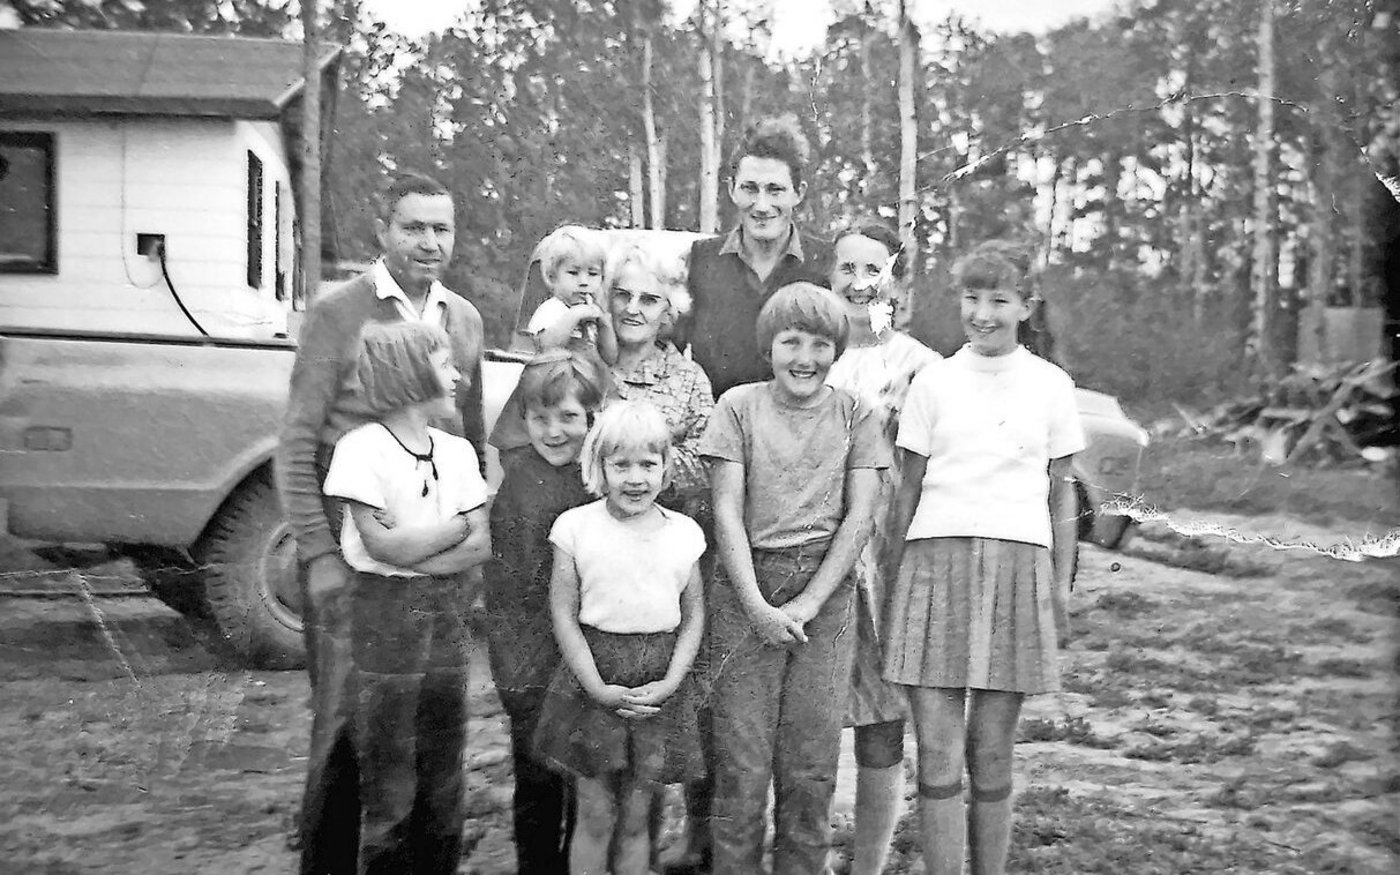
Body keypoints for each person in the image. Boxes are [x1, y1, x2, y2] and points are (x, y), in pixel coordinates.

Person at [276, 172, 484, 875]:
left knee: (432, 728)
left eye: (441, 228)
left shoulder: (463, 319)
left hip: (437, 572)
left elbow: (468, 436)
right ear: (383, 232)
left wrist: (462, 549)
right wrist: (318, 554)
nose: (429, 242)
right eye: (413, 227)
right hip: (356, 561)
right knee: (347, 725)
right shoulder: (339, 312)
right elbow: (296, 442)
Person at [881, 240, 1084, 875]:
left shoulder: (1052, 385)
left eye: (999, 300)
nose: (983, 314)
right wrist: (892, 582)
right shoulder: (933, 382)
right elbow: (907, 490)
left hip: (1018, 569)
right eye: (972, 298)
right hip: (933, 566)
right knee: (937, 753)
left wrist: (1060, 587)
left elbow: (1062, 494)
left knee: (992, 751)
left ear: (1027, 306)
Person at [698, 282, 887, 875]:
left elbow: (861, 516)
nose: (805, 358)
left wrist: (808, 603)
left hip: (826, 596)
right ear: (768, 346)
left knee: (810, 764)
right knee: (741, 763)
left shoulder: (857, 413)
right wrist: (755, 603)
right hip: (744, 588)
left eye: (820, 345)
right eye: (791, 342)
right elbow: (726, 509)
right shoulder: (738, 407)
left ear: (837, 351)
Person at [320, 321, 491, 873]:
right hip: (383, 613)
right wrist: (451, 531)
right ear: (410, 375)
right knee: (388, 768)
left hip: (446, 612)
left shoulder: (457, 451)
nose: (458, 376)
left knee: (444, 765)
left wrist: (416, 548)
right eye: (445, 365)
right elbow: (379, 546)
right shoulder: (361, 449)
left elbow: (480, 544)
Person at [533, 400, 708, 875]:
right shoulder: (575, 528)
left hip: (658, 682)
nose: (635, 479)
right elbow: (563, 614)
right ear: (599, 466)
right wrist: (595, 686)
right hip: (594, 675)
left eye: (648, 464)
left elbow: (693, 617)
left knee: (635, 818)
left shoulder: (685, 534)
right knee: (595, 816)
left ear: (666, 467)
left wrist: (671, 682)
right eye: (621, 465)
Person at [824, 219, 942, 875]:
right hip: (815, 551)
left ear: (898, 281)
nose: (860, 281)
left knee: (880, 719)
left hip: (889, 557)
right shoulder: (809, 353)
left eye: (875, 269)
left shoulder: (922, 366)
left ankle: (868, 863)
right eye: (847, 267)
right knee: (809, 719)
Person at [484, 350, 609, 874]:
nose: (554, 432)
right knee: (537, 780)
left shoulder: (601, 480)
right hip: (531, 663)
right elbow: (505, 593)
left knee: (590, 784)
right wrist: (515, 673)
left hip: (593, 659)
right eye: (540, 418)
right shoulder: (517, 486)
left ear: (592, 417)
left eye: (569, 417)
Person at [683, 115, 833, 398]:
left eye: (775, 190)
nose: (762, 205)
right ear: (732, 189)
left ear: (798, 193)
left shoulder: (826, 264)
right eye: (750, 188)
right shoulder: (700, 261)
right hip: (717, 418)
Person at [605, 242, 714, 510]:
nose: (632, 309)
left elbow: (706, 461)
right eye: (622, 295)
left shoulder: (689, 378)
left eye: (648, 300)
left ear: (668, 311)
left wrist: (633, 460)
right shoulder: (585, 362)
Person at [526, 224, 618, 364]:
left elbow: (610, 358)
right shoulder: (552, 310)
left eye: (593, 274)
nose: (584, 282)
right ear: (552, 277)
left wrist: (604, 324)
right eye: (573, 273)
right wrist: (575, 315)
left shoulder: (593, 313)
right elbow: (547, 348)